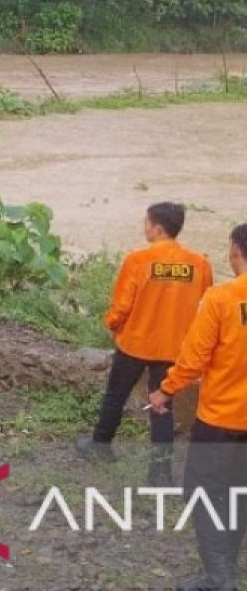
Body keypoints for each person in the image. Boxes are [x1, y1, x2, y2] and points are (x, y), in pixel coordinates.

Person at [77, 203, 212, 484]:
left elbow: (121, 305)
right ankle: (160, 473)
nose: (145, 227)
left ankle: (100, 445)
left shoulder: (138, 260)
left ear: (158, 228)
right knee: (161, 406)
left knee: (116, 394)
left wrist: (112, 325)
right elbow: (205, 303)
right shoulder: (199, 263)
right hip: (174, 347)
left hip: (135, 344)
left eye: (147, 223)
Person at [150, 224, 247, 591]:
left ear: (236, 250)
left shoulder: (222, 299)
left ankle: (219, 577)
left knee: (202, 492)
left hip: (221, 420)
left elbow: (193, 360)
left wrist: (164, 391)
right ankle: (227, 567)